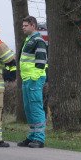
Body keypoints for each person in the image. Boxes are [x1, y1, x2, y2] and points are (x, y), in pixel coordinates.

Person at [17, 16, 48, 148]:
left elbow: (41, 62)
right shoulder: (29, 40)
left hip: (33, 79)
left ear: (33, 26)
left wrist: (33, 78)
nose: (23, 28)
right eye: (23, 25)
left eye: (25, 25)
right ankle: (32, 136)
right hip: (27, 78)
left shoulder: (38, 41)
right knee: (29, 108)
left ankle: (39, 138)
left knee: (35, 107)